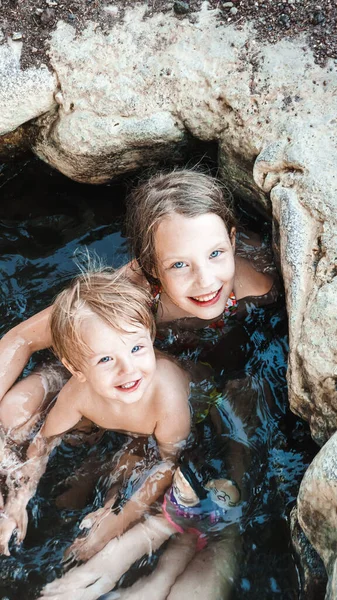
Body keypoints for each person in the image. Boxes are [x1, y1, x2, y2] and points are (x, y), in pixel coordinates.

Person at [0, 269, 191, 558]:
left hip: (150, 436)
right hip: (106, 418)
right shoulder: (78, 391)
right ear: (77, 370)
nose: (128, 369)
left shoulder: (168, 398)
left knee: (128, 465)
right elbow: (45, 440)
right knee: (67, 475)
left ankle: (101, 500)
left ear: (151, 337)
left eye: (137, 347)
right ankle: (83, 483)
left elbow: (167, 465)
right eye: (105, 359)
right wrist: (19, 500)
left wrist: (115, 523)